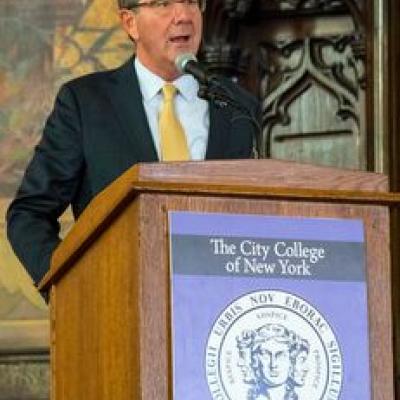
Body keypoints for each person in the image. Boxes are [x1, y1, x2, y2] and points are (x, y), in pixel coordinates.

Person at [6, 0, 258, 285]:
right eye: (164, 3)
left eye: (191, 1)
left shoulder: (239, 106)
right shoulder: (85, 103)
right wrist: (72, 288)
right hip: (119, 307)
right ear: (130, 23)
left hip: (219, 309)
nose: (183, 15)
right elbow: (29, 215)